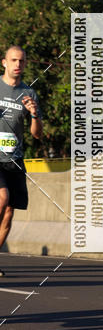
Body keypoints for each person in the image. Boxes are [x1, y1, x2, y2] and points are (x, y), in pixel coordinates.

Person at [0, 46, 43, 276]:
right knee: (2, 198)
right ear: (4, 62)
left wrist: (34, 114)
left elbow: (37, 134)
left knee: (8, 212)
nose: (18, 64)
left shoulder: (29, 93)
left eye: (22, 61)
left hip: (14, 160)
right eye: (14, 60)